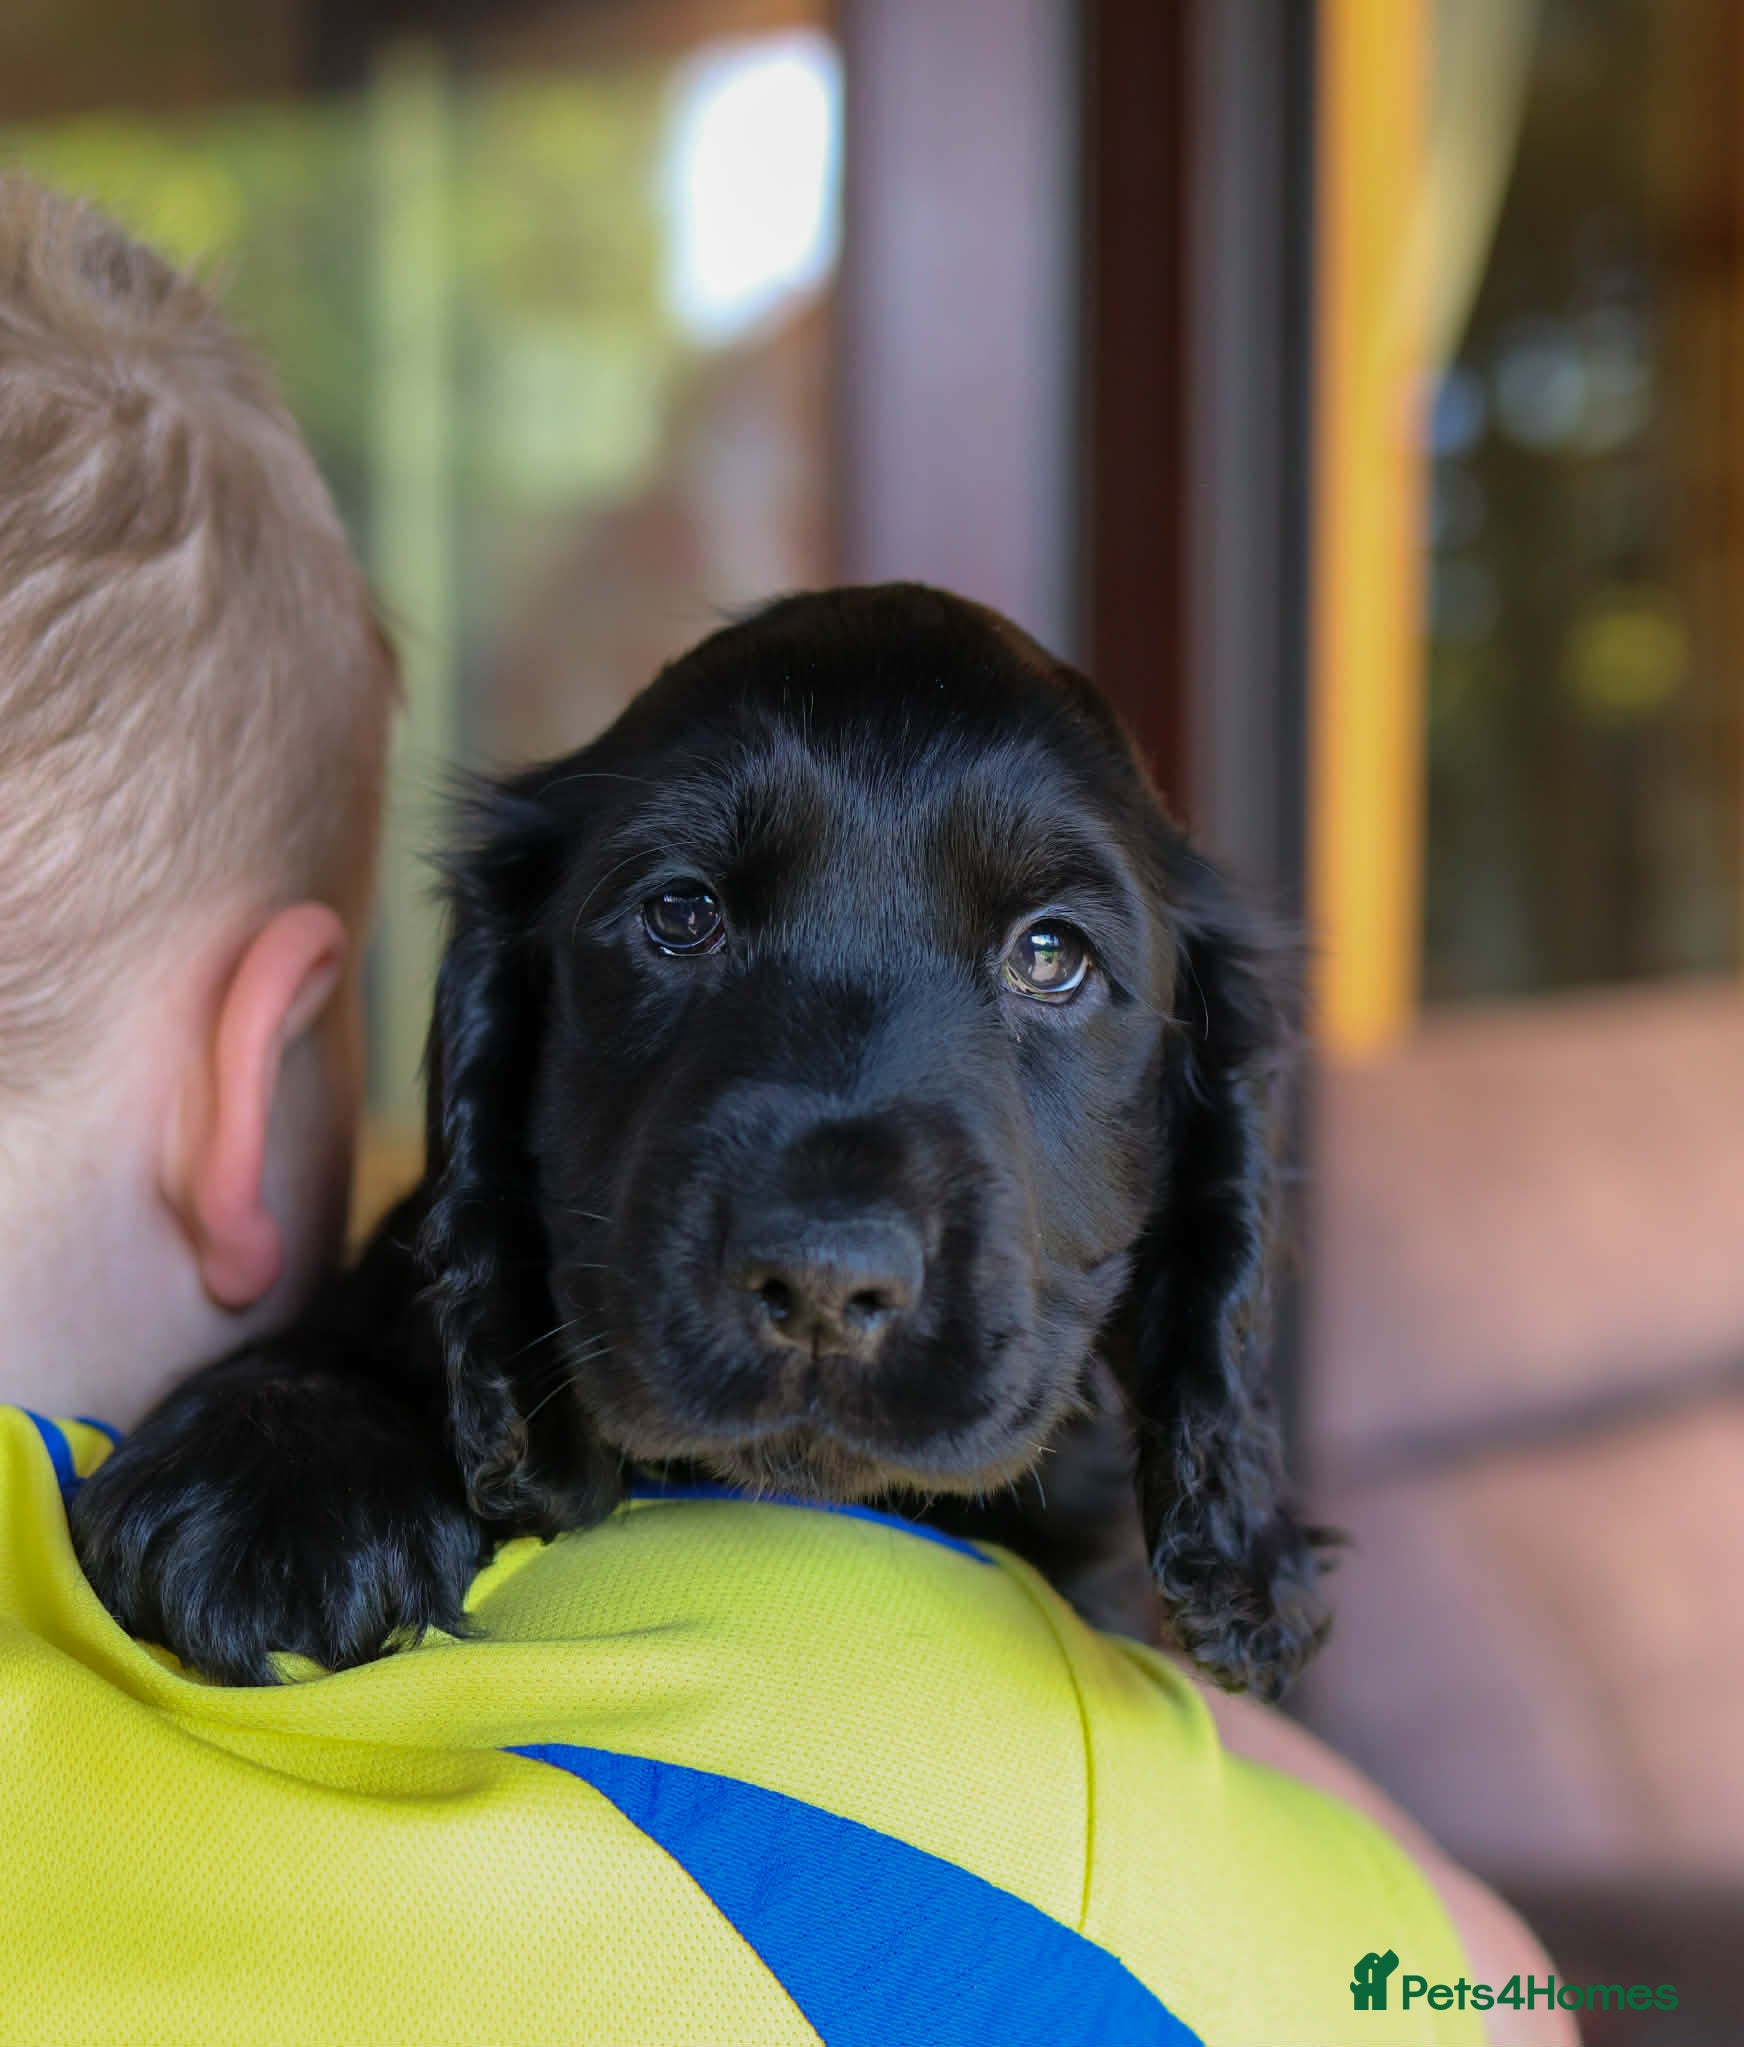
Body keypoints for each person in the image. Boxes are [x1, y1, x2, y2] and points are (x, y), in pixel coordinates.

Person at [0, 176, 1572, 2046]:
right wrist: (339, 1398)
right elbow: (1513, 2003)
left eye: (1056, 962)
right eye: (675, 918)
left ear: (1190, 1126)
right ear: (494, 1056)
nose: (835, 1242)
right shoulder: (1039, 1853)